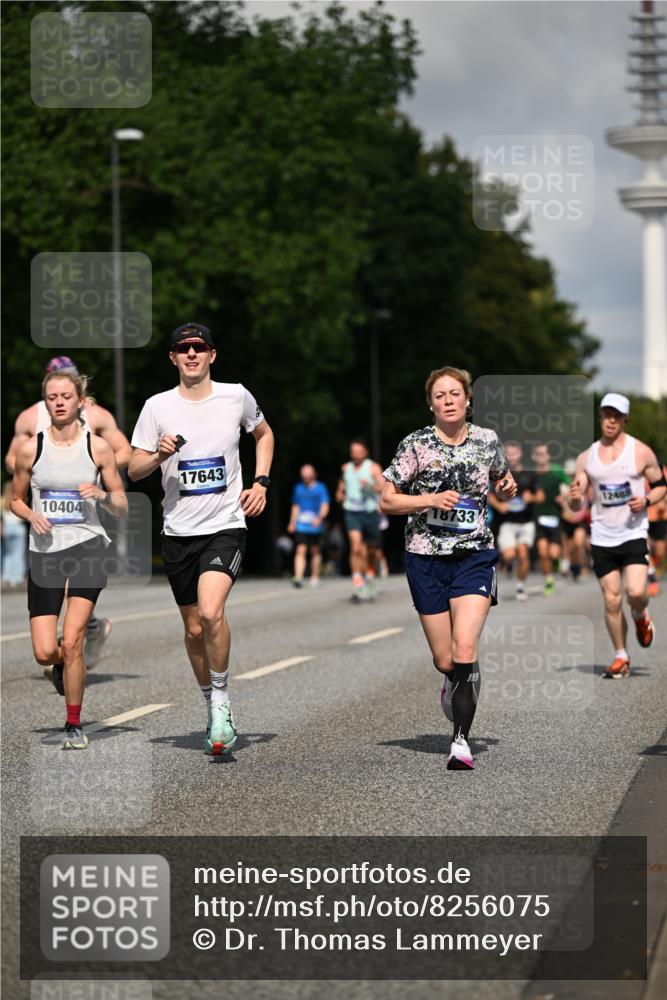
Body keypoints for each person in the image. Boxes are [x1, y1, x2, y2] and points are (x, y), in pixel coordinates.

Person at [128, 323, 274, 755]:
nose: (191, 354)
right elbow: (134, 469)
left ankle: (223, 701)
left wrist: (261, 481)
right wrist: (158, 455)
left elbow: (264, 434)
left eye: (199, 347)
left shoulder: (236, 396)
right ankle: (210, 702)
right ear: (173, 357)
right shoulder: (157, 407)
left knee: (211, 612)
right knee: (193, 629)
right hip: (178, 531)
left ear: (212, 354)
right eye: (183, 348)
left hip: (225, 524)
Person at [381, 366, 517, 771]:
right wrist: (429, 500)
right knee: (446, 659)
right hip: (425, 558)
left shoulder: (487, 440)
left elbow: (503, 478)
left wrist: (507, 486)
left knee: (465, 647)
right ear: (431, 404)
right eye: (439, 396)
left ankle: (460, 742)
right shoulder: (415, 445)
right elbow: (388, 500)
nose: (448, 401)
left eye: (454, 394)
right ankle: (454, 677)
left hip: (474, 555)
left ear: (467, 399)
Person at [11, 370, 127, 748]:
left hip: (87, 547)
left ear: (80, 401)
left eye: (65, 396)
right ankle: (62, 663)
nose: (59, 402)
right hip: (45, 552)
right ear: (45, 403)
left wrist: (102, 495)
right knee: (45, 651)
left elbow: (121, 503)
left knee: (73, 639)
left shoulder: (98, 448)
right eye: (52, 397)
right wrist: (32, 515)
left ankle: (73, 725)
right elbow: (16, 500)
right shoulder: (30, 449)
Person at [569, 393, 666, 678]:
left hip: (633, 532)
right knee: (611, 600)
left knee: (636, 592)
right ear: (600, 417)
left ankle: (639, 615)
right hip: (602, 536)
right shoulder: (586, 458)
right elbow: (577, 502)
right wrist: (574, 498)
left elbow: (661, 486)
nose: (610, 421)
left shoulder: (641, 452)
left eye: (616, 416)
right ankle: (621, 656)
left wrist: (646, 501)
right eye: (606, 415)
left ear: (625, 419)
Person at [488, 442, 543, 601]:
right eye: (509, 453)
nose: (512, 456)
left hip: (526, 522)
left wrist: (532, 497)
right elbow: (489, 495)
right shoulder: (499, 473)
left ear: (520, 454)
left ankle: (520, 587)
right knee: (510, 555)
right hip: (507, 523)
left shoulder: (529, 474)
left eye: (515, 453)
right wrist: (499, 506)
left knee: (524, 554)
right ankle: (508, 563)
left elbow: (541, 496)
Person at [336, 439, 384, 601]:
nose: (355, 454)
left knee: (371, 549)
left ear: (365, 452)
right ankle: (357, 581)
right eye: (353, 451)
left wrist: (369, 485)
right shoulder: (346, 468)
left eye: (358, 451)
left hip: (369, 511)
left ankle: (370, 573)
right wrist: (340, 493)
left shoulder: (373, 467)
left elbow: (383, 488)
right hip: (352, 511)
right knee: (356, 546)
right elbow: (342, 485)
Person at [532, 443, 569, 595]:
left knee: (553, 553)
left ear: (548, 455)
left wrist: (564, 496)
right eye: (538, 454)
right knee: (542, 552)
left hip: (554, 516)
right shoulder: (532, 474)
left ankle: (556, 561)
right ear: (534, 457)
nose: (541, 457)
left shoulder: (557, 471)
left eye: (544, 453)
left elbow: (570, 486)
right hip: (537, 517)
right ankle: (549, 580)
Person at [287, 464, 330, 587]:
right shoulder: (298, 488)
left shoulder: (321, 488)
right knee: (300, 549)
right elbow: (296, 506)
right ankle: (298, 577)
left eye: (307, 474)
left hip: (315, 523)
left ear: (314, 474)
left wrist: (320, 518)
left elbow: (325, 505)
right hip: (301, 524)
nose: (305, 477)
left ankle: (315, 576)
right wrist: (292, 522)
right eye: (303, 475)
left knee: (315, 550)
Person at [559, 458, 589, 581]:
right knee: (570, 548)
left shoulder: (582, 484)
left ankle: (580, 566)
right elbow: (561, 502)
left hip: (579, 520)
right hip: (567, 519)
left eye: (573, 474)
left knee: (579, 543)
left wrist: (582, 514)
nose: (571, 476)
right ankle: (573, 567)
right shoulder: (562, 486)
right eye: (569, 474)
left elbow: (586, 501)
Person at [1, 481, 27, 587]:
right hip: (18, 527)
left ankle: (7, 576)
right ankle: (17, 577)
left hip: (7, 528)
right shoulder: (20, 500)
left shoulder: (2, 500)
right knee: (18, 554)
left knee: (8, 553)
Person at [647, 461, 667, 596]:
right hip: (644, 516)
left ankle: (654, 563)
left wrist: (663, 501)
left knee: (660, 551)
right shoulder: (639, 473)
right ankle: (651, 579)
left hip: (661, 516)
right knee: (645, 547)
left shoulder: (663, 471)